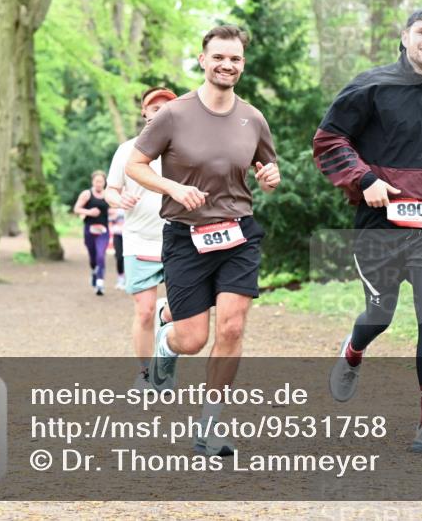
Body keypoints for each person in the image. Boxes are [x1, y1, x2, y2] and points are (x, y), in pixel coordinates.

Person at [312, 8, 422, 456]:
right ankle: (353, 349)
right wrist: (365, 180)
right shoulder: (370, 86)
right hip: (379, 219)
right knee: (380, 314)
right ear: (404, 37)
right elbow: (329, 141)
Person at [125, 25, 281, 457]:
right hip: (185, 237)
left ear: (242, 64)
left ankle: (210, 427)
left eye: (234, 59)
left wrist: (270, 176)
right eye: (219, 57)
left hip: (238, 233)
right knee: (192, 339)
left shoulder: (253, 117)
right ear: (203, 60)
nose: (227, 65)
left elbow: (268, 168)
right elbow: (137, 165)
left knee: (232, 325)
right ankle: (165, 340)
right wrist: (172, 189)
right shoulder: (173, 114)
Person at [105, 87, 177, 386]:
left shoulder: (185, 149)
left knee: (181, 312)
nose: (160, 110)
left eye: (167, 106)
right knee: (144, 311)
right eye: (154, 106)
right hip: (138, 239)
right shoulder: (127, 150)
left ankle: (166, 320)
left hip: (179, 239)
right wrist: (116, 200)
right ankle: (148, 374)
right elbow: (111, 189)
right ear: (145, 113)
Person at [73, 170, 111, 296]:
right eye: (96, 181)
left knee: (101, 256)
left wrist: (115, 213)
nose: (99, 184)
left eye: (101, 181)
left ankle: (100, 283)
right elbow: (76, 209)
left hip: (103, 232)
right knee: (93, 259)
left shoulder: (108, 195)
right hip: (89, 230)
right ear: (93, 182)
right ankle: (94, 272)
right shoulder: (87, 194)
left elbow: (116, 208)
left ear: (105, 182)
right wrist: (89, 212)